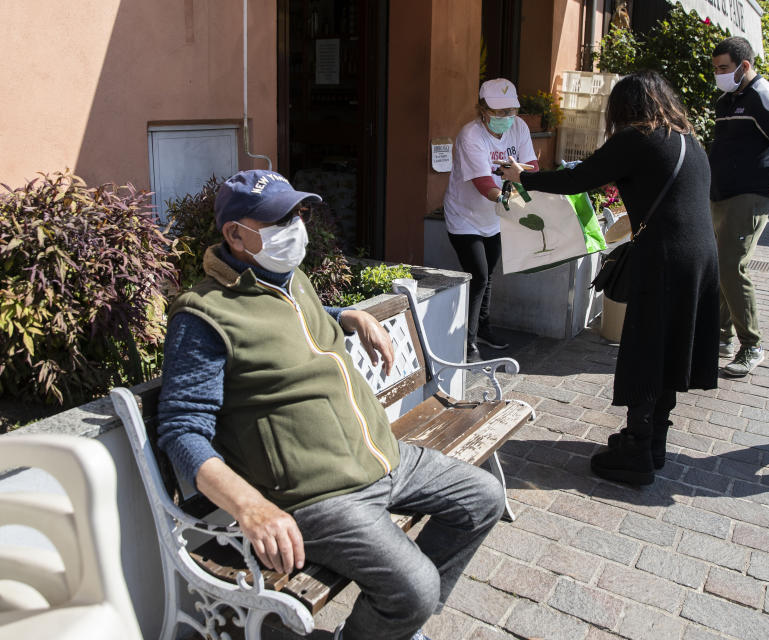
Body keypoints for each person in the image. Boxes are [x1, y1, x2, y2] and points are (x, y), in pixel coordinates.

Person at [157, 170, 504, 640]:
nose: (295, 227)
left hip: (383, 458)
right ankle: (391, 622)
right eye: (278, 220)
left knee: (483, 498)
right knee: (414, 588)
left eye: (297, 213)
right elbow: (182, 430)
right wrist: (250, 506)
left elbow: (297, 322)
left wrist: (350, 315)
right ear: (235, 234)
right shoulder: (204, 316)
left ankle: (396, 627)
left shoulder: (289, 279)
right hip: (317, 496)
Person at [502, 71, 719, 486]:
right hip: (700, 257)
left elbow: (576, 180)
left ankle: (637, 452)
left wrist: (521, 176)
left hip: (665, 258)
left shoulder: (637, 138)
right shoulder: (688, 139)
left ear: (625, 108)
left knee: (645, 346)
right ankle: (655, 441)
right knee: (670, 347)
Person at [709, 36, 769, 377]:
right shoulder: (726, 100)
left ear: (744, 66)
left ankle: (753, 345)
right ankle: (721, 337)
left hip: (750, 195)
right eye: (716, 68)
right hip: (720, 194)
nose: (718, 74)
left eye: (724, 68)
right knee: (720, 266)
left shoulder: (764, 98)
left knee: (732, 266)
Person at [443, 78, 539, 362]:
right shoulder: (470, 135)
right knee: (479, 276)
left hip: (496, 217)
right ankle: (467, 343)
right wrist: (509, 197)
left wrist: (519, 188)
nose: (506, 117)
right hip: (465, 216)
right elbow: (484, 183)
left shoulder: (519, 128)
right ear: (482, 109)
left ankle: (483, 327)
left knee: (489, 275)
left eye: (511, 111)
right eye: (498, 112)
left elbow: (532, 166)